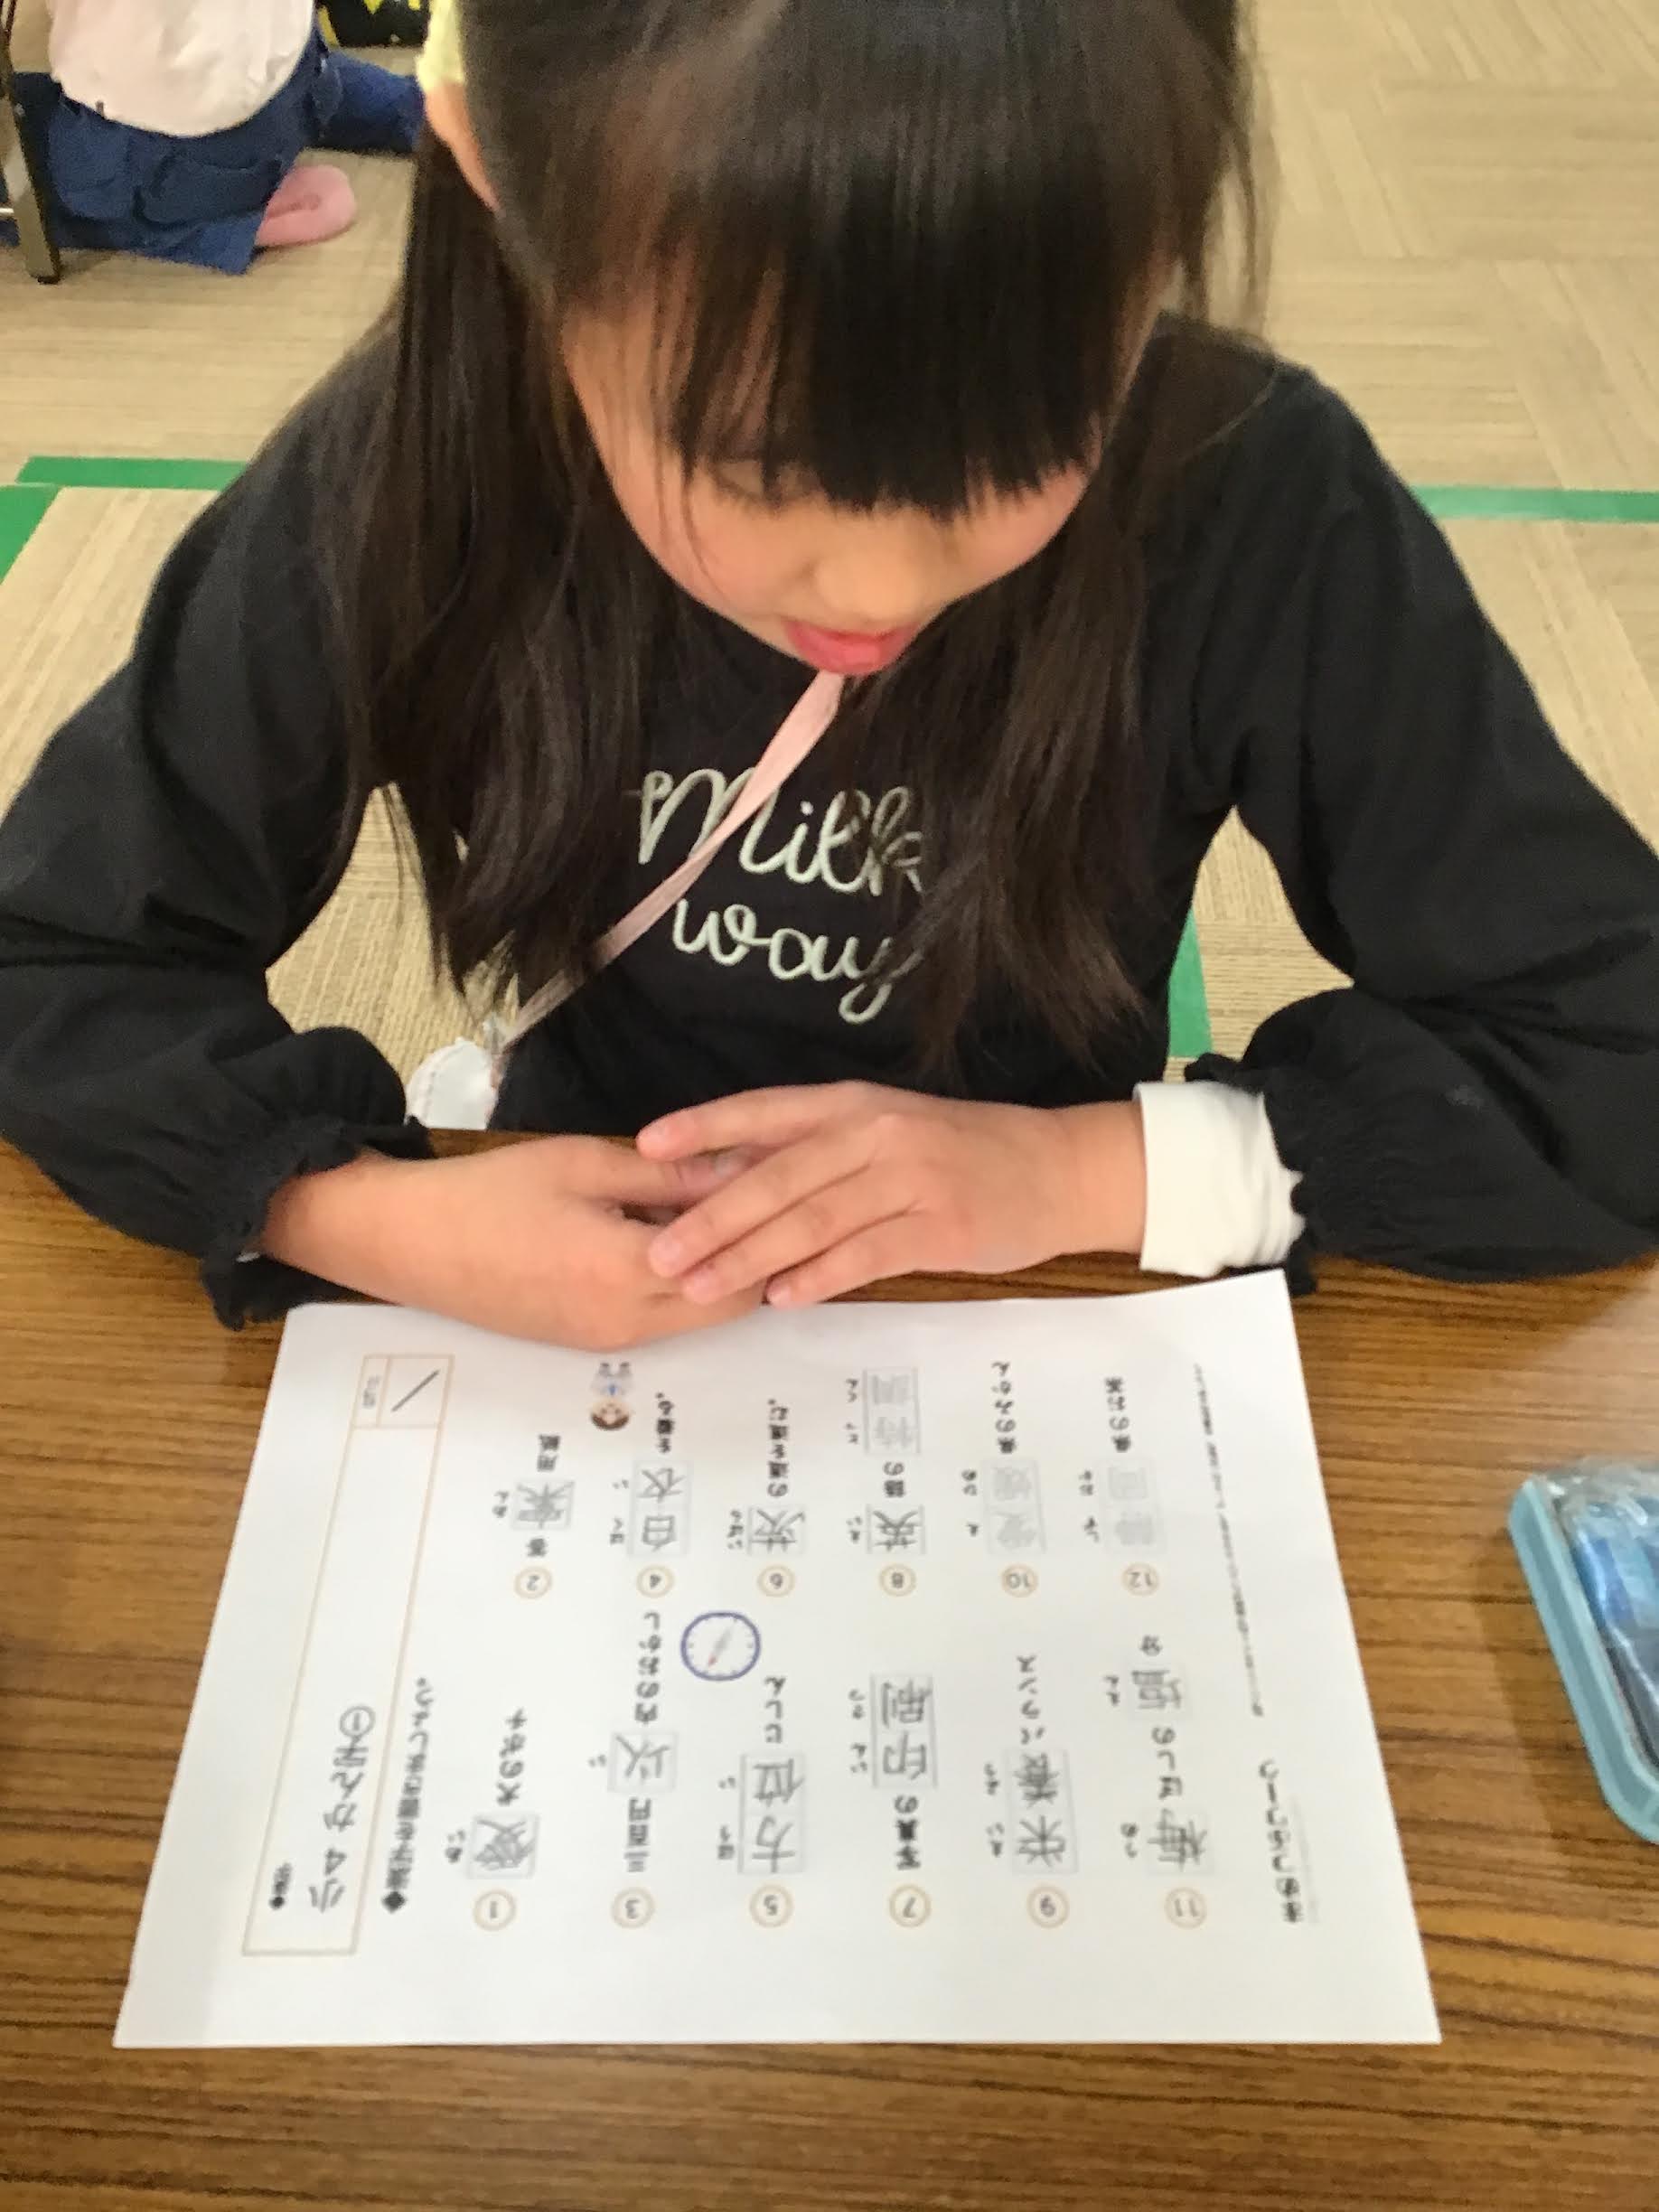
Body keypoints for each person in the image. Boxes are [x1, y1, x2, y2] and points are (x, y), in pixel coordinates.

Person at [1, 0, 1656, 1354]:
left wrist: (1086, 1175)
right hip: (583, 1232)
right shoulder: (416, 475)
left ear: (1161, 244)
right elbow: (53, 958)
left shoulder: (1250, 495)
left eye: (1022, 445)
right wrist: (358, 1210)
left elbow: (1613, 1052)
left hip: (1032, 1277)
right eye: (750, 460)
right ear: (500, 172)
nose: (877, 592)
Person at [13, 1, 425, 272]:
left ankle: (228, 228)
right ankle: (424, 109)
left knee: (22, 164)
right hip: (305, 78)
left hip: (194, 155)